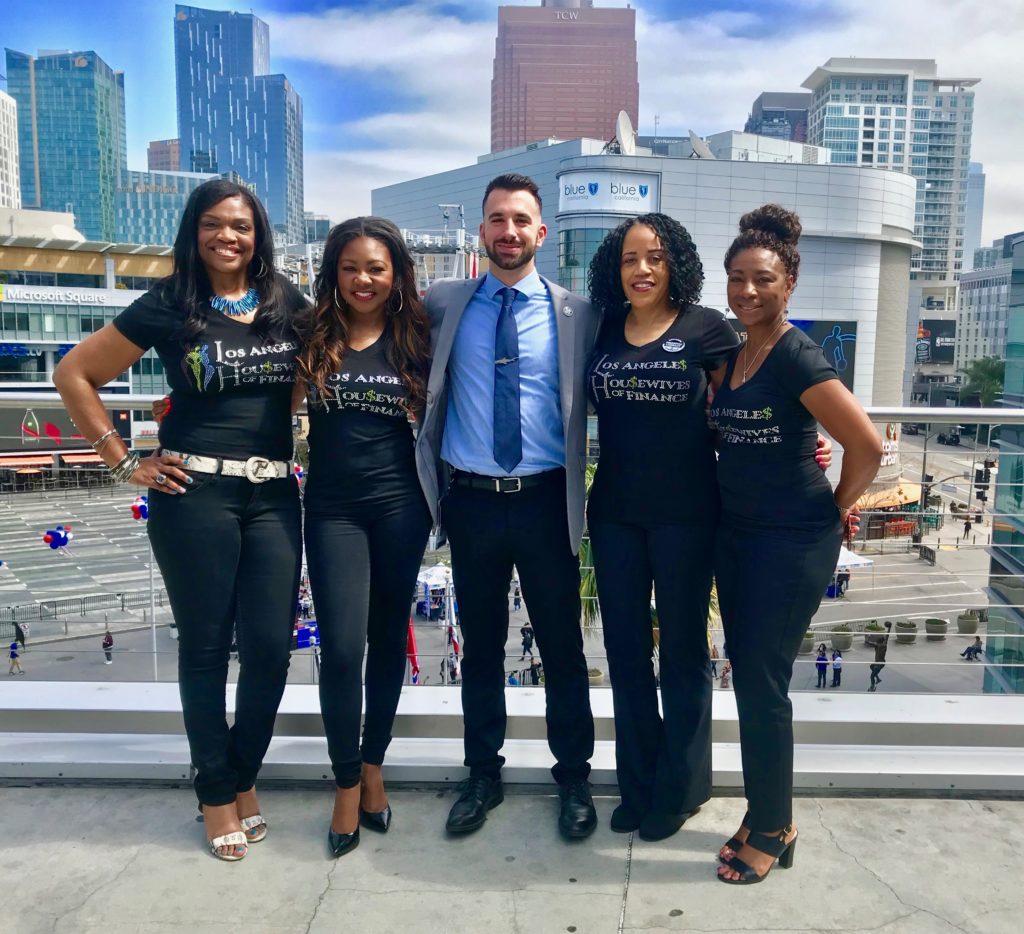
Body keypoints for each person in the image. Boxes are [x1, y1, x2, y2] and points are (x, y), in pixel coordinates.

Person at [54, 178, 306, 861]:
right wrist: (121, 459)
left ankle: (242, 773)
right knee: (204, 647)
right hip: (194, 495)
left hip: (276, 495)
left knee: (271, 652)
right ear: (194, 231)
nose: (230, 236)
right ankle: (217, 794)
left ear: (260, 236)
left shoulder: (287, 302)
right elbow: (74, 374)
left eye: (243, 226)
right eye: (215, 224)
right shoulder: (171, 302)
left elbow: (331, 366)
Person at [414, 173, 598, 839]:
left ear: (540, 234)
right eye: (497, 219)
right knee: (483, 646)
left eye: (521, 220)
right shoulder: (442, 305)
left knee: (562, 648)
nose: (509, 231)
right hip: (472, 503)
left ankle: (573, 778)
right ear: (482, 231)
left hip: (549, 502)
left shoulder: (579, 314)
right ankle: (481, 774)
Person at [710, 204, 881, 884]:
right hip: (740, 536)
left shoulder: (794, 352)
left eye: (761, 279)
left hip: (790, 542)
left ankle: (775, 827)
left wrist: (837, 507)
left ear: (789, 286)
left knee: (762, 683)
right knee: (751, 679)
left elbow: (864, 444)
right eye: (734, 278)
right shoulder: (737, 348)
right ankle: (763, 812)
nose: (746, 290)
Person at [586, 211, 739, 839]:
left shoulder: (709, 331)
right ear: (614, 268)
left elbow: (744, 406)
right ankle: (638, 782)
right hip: (616, 511)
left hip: (686, 514)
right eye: (629, 258)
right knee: (623, 652)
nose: (641, 269)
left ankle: (681, 788)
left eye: (654, 256)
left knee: (680, 654)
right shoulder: (601, 329)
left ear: (675, 262)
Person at [295, 216, 432, 859]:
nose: (363, 279)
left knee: (385, 645)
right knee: (343, 649)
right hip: (331, 512)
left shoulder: (416, 338)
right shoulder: (310, 334)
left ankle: (373, 765)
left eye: (375, 267)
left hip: (401, 508)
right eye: (350, 267)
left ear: (395, 273)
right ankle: (346, 779)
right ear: (333, 273)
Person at [869, 622, 892, 690]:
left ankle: (872, 686)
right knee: (871, 666)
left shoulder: (878, 645)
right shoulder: (884, 644)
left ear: (878, 642)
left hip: (879, 664)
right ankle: (878, 679)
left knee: (872, 676)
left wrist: (869, 638)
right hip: (881, 662)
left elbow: (870, 643)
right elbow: (887, 636)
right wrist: (889, 628)